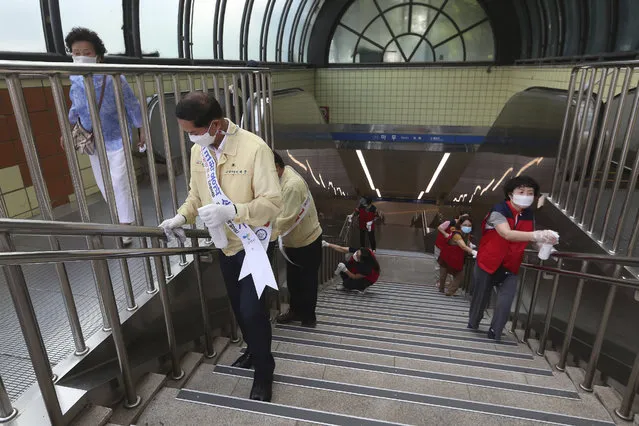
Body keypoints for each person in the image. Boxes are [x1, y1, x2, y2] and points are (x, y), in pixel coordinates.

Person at [159, 92, 281, 402]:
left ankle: (265, 371)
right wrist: (180, 216)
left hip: (253, 245)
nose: (191, 138)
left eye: (193, 132)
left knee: (253, 312)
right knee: (238, 308)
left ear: (215, 124)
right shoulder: (199, 152)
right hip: (224, 245)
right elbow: (195, 196)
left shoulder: (255, 150)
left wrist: (232, 212)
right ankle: (254, 352)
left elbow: (272, 203)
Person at [64, 27, 145, 245]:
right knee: (104, 181)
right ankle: (121, 219)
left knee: (119, 180)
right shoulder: (75, 79)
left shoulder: (114, 76)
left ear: (98, 55)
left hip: (118, 136)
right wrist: (67, 129)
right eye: (76, 52)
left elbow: (132, 103)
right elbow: (76, 107)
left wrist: (141, 128)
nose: (81, 56)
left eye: (87, 52)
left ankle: (126, 225)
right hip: (92, 139)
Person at [468, 176, 558, 341]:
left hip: (511, 264)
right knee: (481, 298)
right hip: (488, 261)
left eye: (530, 193)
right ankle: (473, 322)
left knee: (506, 299)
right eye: (521, 191)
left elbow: (529, 237)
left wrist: (544, 244)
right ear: (510, 194)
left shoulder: (528, 215)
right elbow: (506, 234)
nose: (526, 195)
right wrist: (537, 235)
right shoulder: (498, 211)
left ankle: (495, 332)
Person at [272, 152, 323, 327]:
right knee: (293, 281)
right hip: (292, 242)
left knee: (307, 281)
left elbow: (286, 220)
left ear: (277, 166)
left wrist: (258, 228)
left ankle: (309, 317)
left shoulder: (292, 185)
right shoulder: (281, 176)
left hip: (308, 241)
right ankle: (294, 311)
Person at [437, 216, 476, 296]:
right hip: (448, 257)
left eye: (469, 226)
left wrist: (470, 246)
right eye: (465, 225)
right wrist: (473, 252)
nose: (467, 227)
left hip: (454, 258)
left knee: (456, 275)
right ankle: (444, 290)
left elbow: (466, 244)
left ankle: (447, 291)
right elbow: (463, 246)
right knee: (447, 275)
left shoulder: (466, 235)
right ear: (460, 225)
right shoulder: (456, 234)